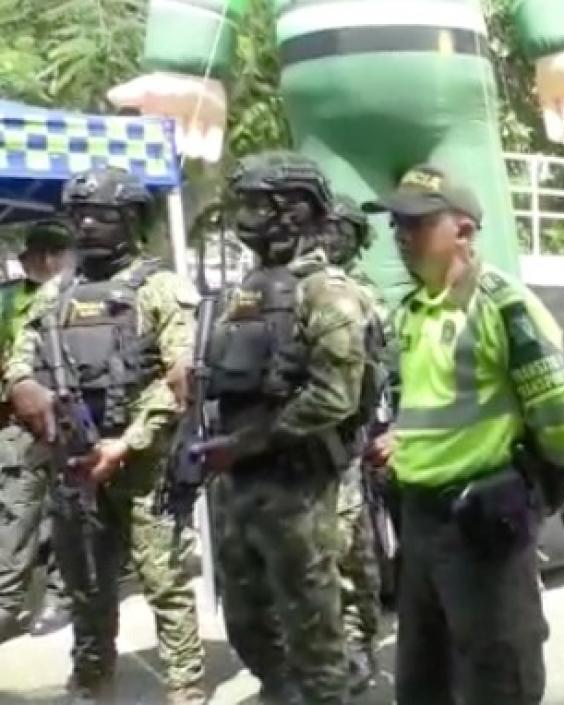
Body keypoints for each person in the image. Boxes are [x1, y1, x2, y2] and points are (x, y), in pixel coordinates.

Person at [364, 165, 564, 705]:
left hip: (481, 527)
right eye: (397, 224)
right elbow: (435, 406)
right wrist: (405, 442)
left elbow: (559, 417)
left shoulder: (501, 303)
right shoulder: (414, 312)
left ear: (462, 231)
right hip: (419, 523)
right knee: (423, 677)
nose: (403, 236)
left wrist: (533, 494)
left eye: (417, 223)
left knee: (497, 675)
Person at [5, 168, 207, 703]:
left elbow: (183, 376)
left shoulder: (159, 287)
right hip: (76, 463)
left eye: (103, 215)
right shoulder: (54, 296)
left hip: (143, 464)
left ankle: (184, 685)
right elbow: (19, 364)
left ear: (130, 221)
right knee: (86, 584)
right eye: (80, 214)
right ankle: (93, 680)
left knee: (163, 581)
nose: (89, 224)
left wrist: (128, 442)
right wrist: (26, 387)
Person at [204, 151, 370, 705]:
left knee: (314, 637)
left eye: (258, 203)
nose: (244, 216)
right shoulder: (245, 291)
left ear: (296, 211)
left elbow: (334, 396)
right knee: (248, 625)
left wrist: (252, 442)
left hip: (297, 488)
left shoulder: (327, 291)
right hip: (238, 485)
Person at [325, 193, 389, 695]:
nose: (332, 236)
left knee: (354, 552)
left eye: (343, 229)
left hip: (352, 439)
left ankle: (362, 643)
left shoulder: (362, 293)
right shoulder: (303, 285)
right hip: (302, 446)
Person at [0, 220, 74, 642]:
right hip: (18, 423)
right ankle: (8, 603)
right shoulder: (8, 299)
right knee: (16, 512)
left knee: (69, 512)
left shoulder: (79, 296)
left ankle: (62, 597)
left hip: (68, 421)